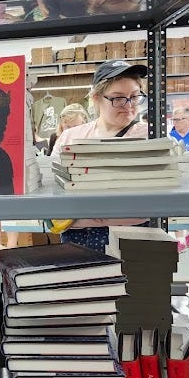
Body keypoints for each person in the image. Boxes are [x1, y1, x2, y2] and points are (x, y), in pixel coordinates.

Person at [50, 60, 151, 251]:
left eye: (134, 97)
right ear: (96, 98)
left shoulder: (150, 136)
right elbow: (54, 187)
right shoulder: (71, 137)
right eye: (118, 98)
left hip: (132, 233)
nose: (128, 105)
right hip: (77, 234)